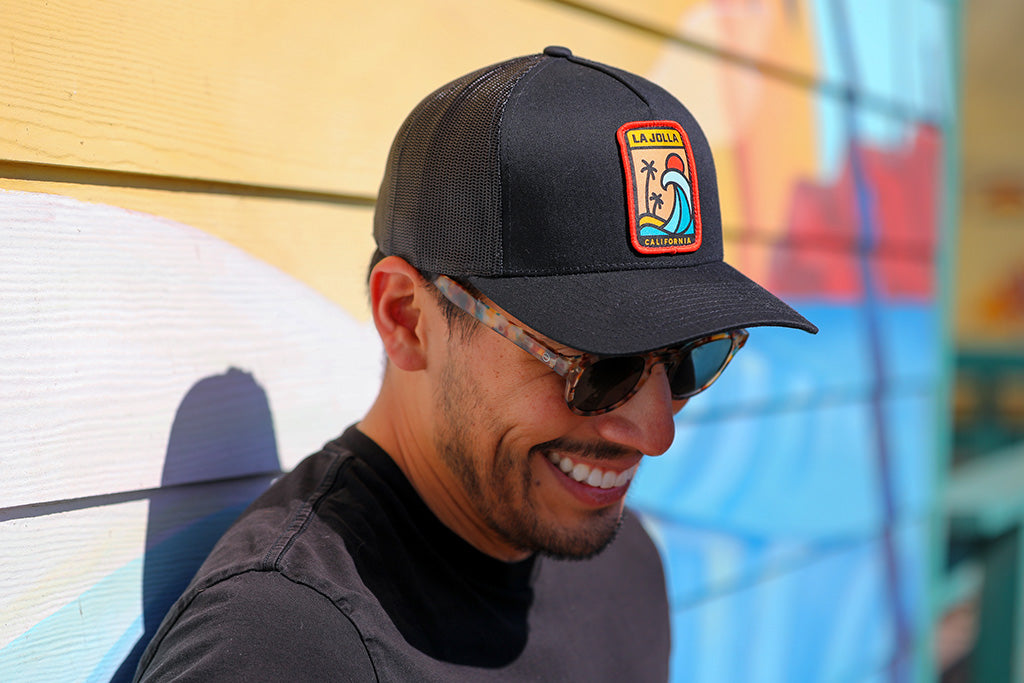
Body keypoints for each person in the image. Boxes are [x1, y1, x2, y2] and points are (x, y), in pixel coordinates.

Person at [133, 46, 816, 681]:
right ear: (406, 318)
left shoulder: (627, 564)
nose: (655, 431)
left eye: (689, 357)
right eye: (601, 364)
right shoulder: (282, 641)